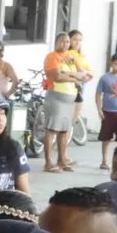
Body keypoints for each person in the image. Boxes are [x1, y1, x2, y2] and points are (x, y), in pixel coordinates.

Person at [39, 30, 86, 172]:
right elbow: (56, 76)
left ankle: (61, 159)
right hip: (56, 96)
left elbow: (83, 74)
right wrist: (73, 77)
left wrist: (69, 73)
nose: (64, 44)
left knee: (65, 129)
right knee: (52, 128)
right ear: (56, 42)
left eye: (67, 41)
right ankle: (48, 162)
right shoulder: (52, 57)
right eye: (62, 41)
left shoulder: (71, 57)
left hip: (70, 98)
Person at [93, 54, 117, 171]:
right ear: (111, 63)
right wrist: (99, 109)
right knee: (106, 138)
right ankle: (104, 161)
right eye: (116, 64)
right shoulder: (105, 78)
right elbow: (98, 94)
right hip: (108, 112)